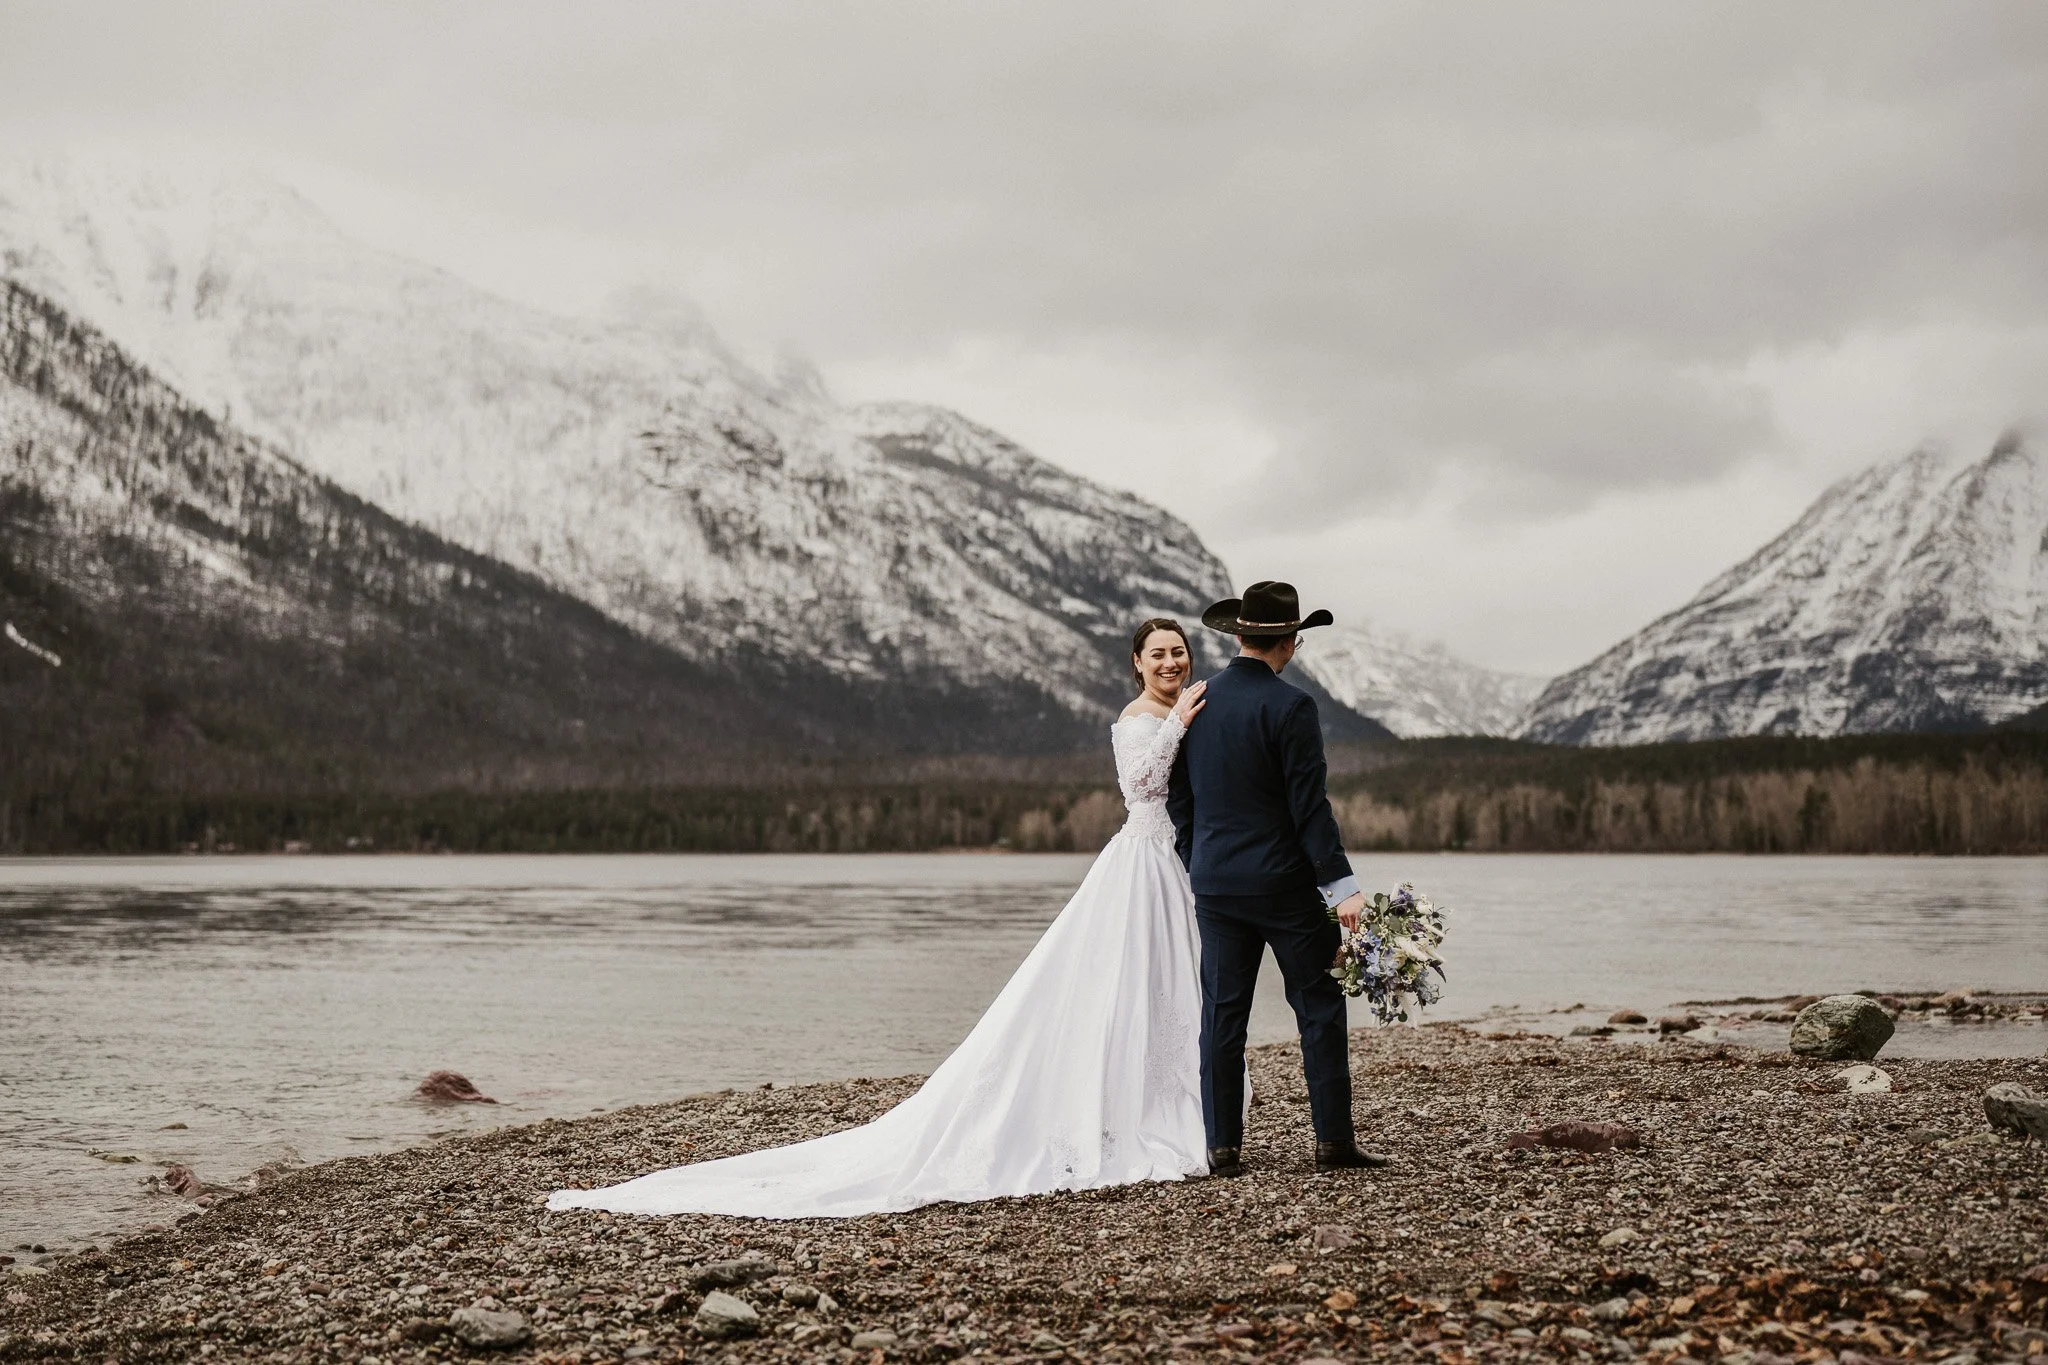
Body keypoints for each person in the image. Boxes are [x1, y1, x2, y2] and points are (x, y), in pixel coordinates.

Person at [547, 617, 1214, 1217]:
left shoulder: (1174, 705)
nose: (1170, 662)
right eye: (1157, 653)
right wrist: (1179, 723)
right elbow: (1141, 786)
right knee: (1121, 983)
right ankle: (1125, 1112)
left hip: (1171, 860)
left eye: (1178, 652)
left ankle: (1165, 1099)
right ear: (1135, 662)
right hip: (1140, 860)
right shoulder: (1139, 718)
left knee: (1158, 986)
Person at [1168, 580, 1392, 1177]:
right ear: (1289, 642)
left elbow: (1179, 797)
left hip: (1215, 885)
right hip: (1286, 887)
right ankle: (1333, 1143)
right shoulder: (1292, 707)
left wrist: (1198, 859)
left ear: (1239, 634)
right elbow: (1309, 808)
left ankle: (1222, 1149)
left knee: (1222, 1015)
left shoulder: (1196, 700)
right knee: (1318, 1006)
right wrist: (1341, 887)